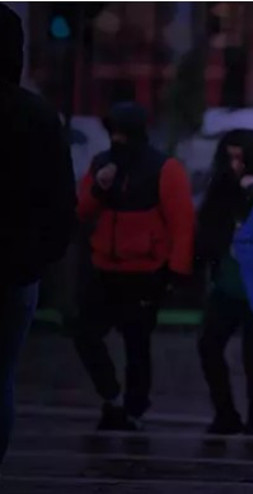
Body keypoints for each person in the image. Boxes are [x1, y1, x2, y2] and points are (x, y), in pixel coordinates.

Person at [74, 102, 195, 431]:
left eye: (122, 132)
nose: (117, 139)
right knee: (85, 332)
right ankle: (111, 394)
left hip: (145, 270)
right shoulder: (103, 163)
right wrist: (100, 187)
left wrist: (176, 270)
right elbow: (81, 210)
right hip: (104, 267)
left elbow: (182, 222)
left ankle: (133, 408)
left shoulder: (164, 168)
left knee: (137, 343)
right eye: (112, 132)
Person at [0, 5, 77, 465]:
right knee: (2, 376)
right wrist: (40, 259)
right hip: (15, 270)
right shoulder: (38, 116)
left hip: (19, 265)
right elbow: (59, 200)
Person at [197, 130, 253, 437]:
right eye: (230, 158)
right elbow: (208, 229)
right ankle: (225, 412)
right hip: (229, 283)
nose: (235, 165)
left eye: (241, 158)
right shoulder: (221, 188)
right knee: (209, 345)